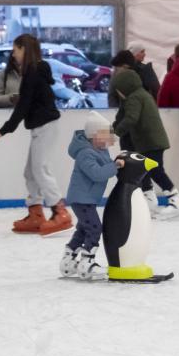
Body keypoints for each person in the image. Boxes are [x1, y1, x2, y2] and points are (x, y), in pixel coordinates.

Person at [0, 33, 72, 236]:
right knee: (30, 172)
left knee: (40, 169)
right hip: (41, 126)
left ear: (23, 49)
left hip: (46, 125)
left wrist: (3, 130)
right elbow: (26, 104)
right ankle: (35, 214)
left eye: (15, 50)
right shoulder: (34, 71)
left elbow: (23, 106)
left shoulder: (33, 72)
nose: (13, 54)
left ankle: (60, 212)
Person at [111, 68, 179, 218]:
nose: (118, 93)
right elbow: (121, 117)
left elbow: (131, 118)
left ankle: (177, 202)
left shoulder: (134, 98)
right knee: (143, 169)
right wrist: (110, 131)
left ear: (125, 87)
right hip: (147, 142)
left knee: (155, 171)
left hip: (151, 141)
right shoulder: (140, 95)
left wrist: (115, 133)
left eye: (118, 90)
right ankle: (149, 200)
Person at [62, 112, 124, 279]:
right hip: (81, 199)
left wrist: (116, 162)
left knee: (83, 229)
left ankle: (69, 258)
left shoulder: (99, 150)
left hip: (86, 199)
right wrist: (115, 166)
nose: (109, 141)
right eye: (106, 136)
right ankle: (87, 262)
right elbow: (97, 174)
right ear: (94, 136)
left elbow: (106, 165)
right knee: (95, 228)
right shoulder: (85, 153)